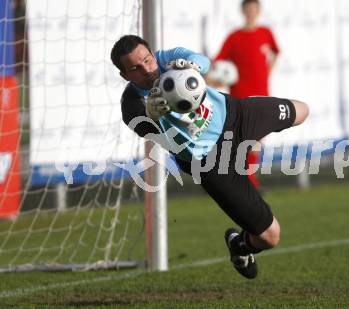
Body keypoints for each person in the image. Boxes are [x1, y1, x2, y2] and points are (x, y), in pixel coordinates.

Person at [110, 35, 309, 279]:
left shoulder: (165, 59)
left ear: (153, 54)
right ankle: (241, 245)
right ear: (125, 76)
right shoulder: (132, 107)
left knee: (302, 110)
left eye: (147, 60)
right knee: (270, 237)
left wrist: (191, 68)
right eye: (135, 68)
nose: (146, 69)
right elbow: (172, 144)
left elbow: (201, 61)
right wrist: (156, 117)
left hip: (235, 116)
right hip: (211, 162)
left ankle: (242, 242)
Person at [212, 0, 280, 189]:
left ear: (258, 11)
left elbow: (276, 52)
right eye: (248, 9)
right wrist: (219, 81)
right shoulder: (234, 37)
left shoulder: (265, 33)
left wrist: (268, 71)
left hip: (262, 93)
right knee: (246, 138)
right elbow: (218, 63)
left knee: (257, 139)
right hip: (241, 95)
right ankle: (248, 181)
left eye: (254, 9)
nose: (251, 12)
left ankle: (247, 179)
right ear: (243, 11)